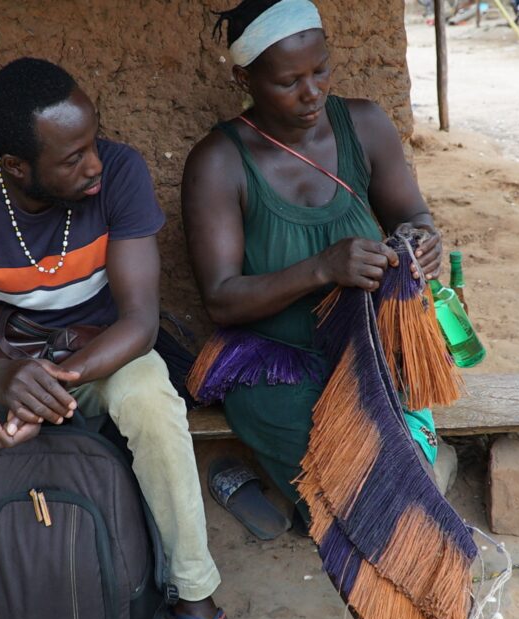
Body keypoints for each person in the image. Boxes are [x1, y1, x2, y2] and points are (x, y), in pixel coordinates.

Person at [0, 58, 240, 619]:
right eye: (72, 157)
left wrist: (52, 385)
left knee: (152, 398)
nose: (94, 163)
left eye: (92, 141)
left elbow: (140, 323)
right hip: (5, 370)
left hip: (100, 358)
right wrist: (1, 378)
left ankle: (194, 594)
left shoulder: (121, 173)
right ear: (15, 166)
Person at [181, 0, 447, 529]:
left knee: (383, 456)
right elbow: (222, 298)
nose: (312, 92)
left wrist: (423, 239)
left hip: (367, 345)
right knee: (354, 476)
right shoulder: (220, 162)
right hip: (272, 362)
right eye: (288, 81)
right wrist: (321, 269)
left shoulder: (365, 125)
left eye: (320, 69)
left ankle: (360, 503)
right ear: (244, 78)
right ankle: (399, 496)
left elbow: (412, 214)